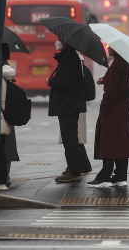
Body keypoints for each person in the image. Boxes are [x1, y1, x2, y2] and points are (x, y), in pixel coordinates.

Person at [88, 47, 129, 187]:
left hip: (113, 110)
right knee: (120, 142)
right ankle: (120, 175)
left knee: (109, 142)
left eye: (110, 47)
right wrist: (105, 80)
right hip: (122, 109)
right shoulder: (123, 65)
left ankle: (105, 175)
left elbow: (111, 91)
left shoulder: (115, 67)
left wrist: (103, 106)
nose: (108, 48)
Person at [48, 37, 92, 183]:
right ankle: (76, 166)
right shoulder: (69, 57)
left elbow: (64, 82)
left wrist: (51, 81)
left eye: (60, 39)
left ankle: (74, 171)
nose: (57, 41)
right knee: (70, 137)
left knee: (70, 138)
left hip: (68, 104)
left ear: (67, 42)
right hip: (69, 104)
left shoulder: (70, 58)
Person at [0, 45, 20, 190]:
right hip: (6, 115)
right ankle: (4, 177)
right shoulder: (6, 70)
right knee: (3, 148)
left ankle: (0, 180)